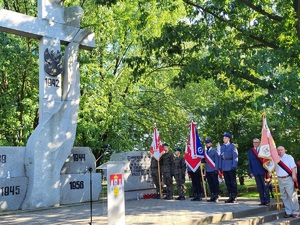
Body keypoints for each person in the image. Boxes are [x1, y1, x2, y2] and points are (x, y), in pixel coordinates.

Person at [275, 146, 299, 218]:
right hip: (280, 179)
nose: (280, 151)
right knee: (284, 196)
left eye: (281, 150)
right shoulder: (275, 159)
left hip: (288, 178)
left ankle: (296, 211)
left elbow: (293, 167)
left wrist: (294, 176)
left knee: (292, 195)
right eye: (278, 150)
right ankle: (288, 211)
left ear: (284, 150)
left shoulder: (289, 157)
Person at [248, 138, 270, 206]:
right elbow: (250, 162)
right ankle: (262, 200)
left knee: (265, 186)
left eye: (256, 142)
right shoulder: (250, 151)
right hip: (255, 171)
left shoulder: (263, 150)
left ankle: (267, 201)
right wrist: (251, 171)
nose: (255, 143)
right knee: (259, 187)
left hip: (263, 171)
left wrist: (268, 170)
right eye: (254, 142)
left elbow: (267, 160)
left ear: (259, 143)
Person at [220, 132, 238, 203]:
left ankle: (234, 196)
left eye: (225, 138)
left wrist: (234, 165)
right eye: (223, 138)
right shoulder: (222, 147)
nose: (224, 139)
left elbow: (235, 156)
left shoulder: (232, 146)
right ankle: (230, 196)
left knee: (233, 182)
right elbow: (221, 157)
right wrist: (221, 167)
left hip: (230, 165)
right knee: (227, 182)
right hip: (224, 166)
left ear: (228, 139)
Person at [204, 138, 220, 202]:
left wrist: (216, 169)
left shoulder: (214, 151)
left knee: (215, 183)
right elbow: (205, 162)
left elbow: (217, 161)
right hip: (208, 170)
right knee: (210, 184)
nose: (207, 144)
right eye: (206, 143)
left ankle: (216, 196)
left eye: (208, 143)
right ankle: (212, 195)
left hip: (213, 170)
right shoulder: (205, 152)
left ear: (211, 143)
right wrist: (205, 171)